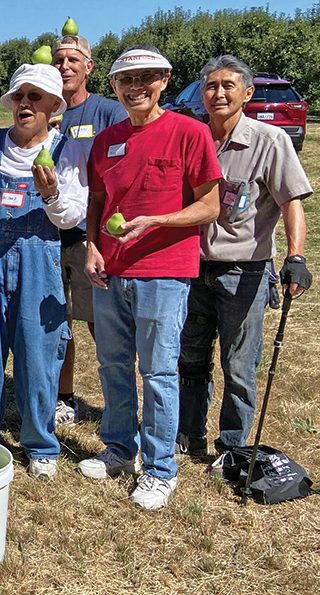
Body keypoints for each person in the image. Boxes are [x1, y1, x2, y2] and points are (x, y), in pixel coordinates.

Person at [80, 46, 222, 510]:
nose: (135, 87)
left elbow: (210, 206)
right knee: (113, 365)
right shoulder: (107, 140)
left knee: (158, 371)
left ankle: (160, 469)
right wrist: (93, 245)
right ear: (115, 88)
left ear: (163, 80)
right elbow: (97, 201)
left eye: (145, 78)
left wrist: (157, 222)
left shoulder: (190, 132)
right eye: (126, 80)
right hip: (112, 271)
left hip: (164, 272)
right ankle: (120, 448)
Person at [0, 65, 88, 479]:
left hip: (38, 262)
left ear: (52, 106)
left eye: (35, 97)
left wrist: (51, 194)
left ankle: (40, 443)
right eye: (19, 96)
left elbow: (71, 217)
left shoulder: (67, 151)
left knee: (37, 354)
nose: (25, 103)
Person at [177, 55, 313, 460]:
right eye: (210, 86)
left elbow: (291, 201)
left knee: (238, 366)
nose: (218, 93)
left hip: (244, 270)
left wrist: (297, 257)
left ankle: (232, 448)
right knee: (190, 359)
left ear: (247, 93)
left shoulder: (270, 141)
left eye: (227, 86)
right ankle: (189, 435)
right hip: (191, 266)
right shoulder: (193, 137)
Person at [50, 36, 128, 425]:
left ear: (89, 66)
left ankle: (121, 401)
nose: (65, 66)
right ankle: (65, 397)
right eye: (58, 59)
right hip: (47, 236)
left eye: (72, 60)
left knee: (100, 321)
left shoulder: (108, 112)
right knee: (57, 322)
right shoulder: (45, 108)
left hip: (89, 235)